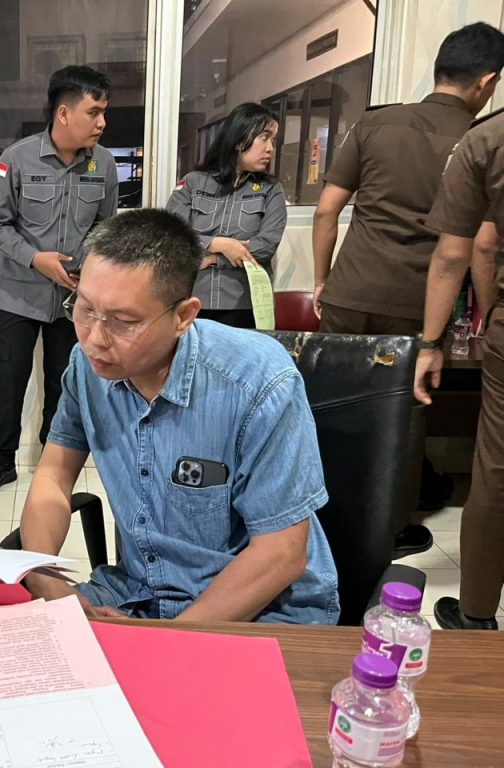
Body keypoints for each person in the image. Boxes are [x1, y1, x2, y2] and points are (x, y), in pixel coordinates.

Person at [19, 208, 339, 624]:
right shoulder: (88, 366)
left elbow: (281, 554)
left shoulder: (258, 380)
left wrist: (166, 637)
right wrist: (44, 577)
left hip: (262, 607)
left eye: (124, 321)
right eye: (85, 309)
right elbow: (53, 477)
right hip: (139, 591)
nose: (95, 339)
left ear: (183, 316)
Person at [313, 22, 504, 547]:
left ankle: (319, 517)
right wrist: (484, 314)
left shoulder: (375, 123)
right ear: (487, 82)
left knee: (330, 406)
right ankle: (391, 529)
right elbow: (477, 246)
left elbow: (327, 210)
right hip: (417, 303)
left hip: (349, 292)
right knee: (402, 415)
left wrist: (323, 280)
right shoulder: (480, 140)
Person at [0, 65, 119, 497]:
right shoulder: (16, 159)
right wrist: (36, 259)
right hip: (18, 294)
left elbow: (105, 227)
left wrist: (83, 263)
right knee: (9, 380)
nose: (102, 122)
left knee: (63, 380)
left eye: (104, 112)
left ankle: (54, 464)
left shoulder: (104, 163)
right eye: (94, 112)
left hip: (73, 298)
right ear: (64, 113)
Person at [414, 108, 504, 631]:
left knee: (496, 470)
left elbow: (468, 249)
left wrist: (437, 340)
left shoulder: (489, 137)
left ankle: (476, 613)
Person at [166, 102, 286, 329]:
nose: (270, 148)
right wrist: (217, 243)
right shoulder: (193, 182)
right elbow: (172, 235)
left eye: (273, 140)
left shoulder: (271, 190)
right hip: (192, 298)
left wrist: (213, 258)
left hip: (243, 304)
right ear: (239, 139)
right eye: (264, 138)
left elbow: (266, 245)